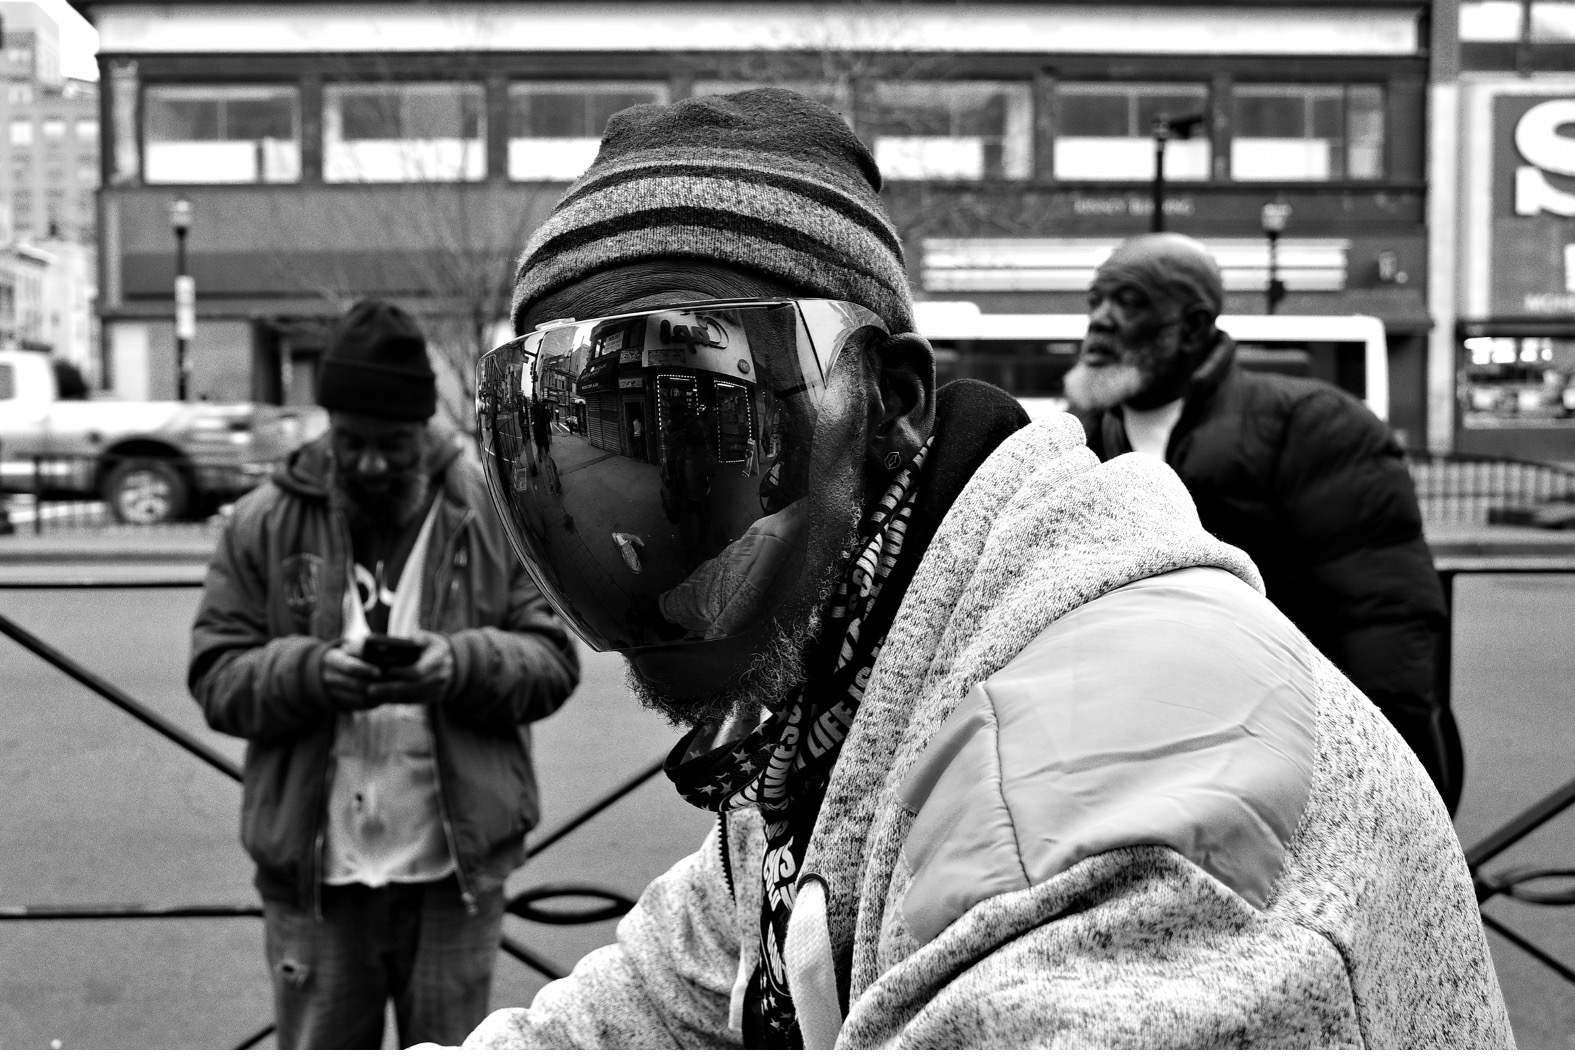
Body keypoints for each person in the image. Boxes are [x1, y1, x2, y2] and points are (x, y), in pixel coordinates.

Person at [465, 89, 1510, 1048]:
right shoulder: (833, 701)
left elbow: (1381, 618)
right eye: (568, 444)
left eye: (701, 421)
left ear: (894, 404)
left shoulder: (1095, 807)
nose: (637, 542)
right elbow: (628, 1014)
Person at [188, 300, 580, 1048]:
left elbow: (553, 660)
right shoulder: (260, 524)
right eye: (352, 442)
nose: (370, 464)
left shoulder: (492, 511)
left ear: (425, 430)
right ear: (327, 427)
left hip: (452, 878)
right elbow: (215, 675)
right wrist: (310, 675)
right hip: (315, 878)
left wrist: (457, 664)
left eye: (393, 446)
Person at [1063, 234, 1461, 812]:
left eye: (1129, 301)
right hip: (1135, 770)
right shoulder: (1076, 448)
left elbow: (1383, 620)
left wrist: (1390, 792)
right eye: (1096, 300)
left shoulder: (1313, 426)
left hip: (1278, 761)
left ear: (1194, 325)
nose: (1100, 320)